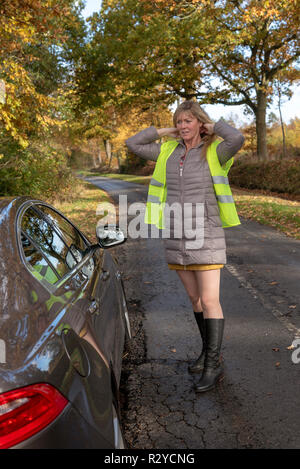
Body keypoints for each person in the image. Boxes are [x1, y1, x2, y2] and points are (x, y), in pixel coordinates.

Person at [125, 100, 245, 392]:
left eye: (188, 121)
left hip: (206, 232)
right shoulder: (168, 151)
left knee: (210, 299)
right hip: (176, 232)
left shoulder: (215, 150)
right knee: (195, 299)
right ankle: (206, 354)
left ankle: (213, 364)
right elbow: (133, 143)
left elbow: (237, 138)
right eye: (179, 121)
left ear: (199, 123)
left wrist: (211, 127)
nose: (182, 126)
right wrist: (167, 130)